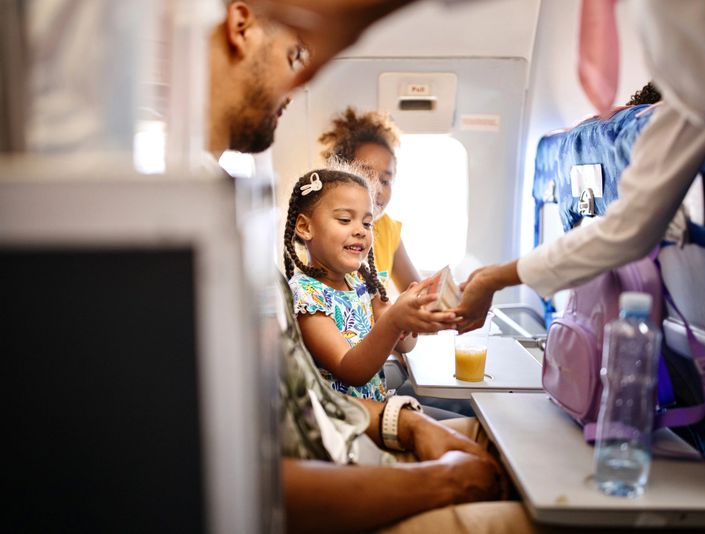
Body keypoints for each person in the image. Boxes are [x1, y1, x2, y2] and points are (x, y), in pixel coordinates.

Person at [258, 0, 705, 333]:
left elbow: (408, 296)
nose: (372, 198)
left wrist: (418, 311)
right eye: (361, 183)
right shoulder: (695, 91)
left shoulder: (704, 56)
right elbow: (627, 228)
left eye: (387, 178)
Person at [207, 4, 531, 532]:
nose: (298, 83)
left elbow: (321, 402)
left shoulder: (352, 273)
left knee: (517, 444)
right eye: (294, 55)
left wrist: (405, 416)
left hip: (370, 423)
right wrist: (436, 466)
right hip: (357, 443)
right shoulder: (296, 288)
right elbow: (350, 373)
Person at [283, 167, 449, 400]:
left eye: (367, 223)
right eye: (344, 220)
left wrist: (409, 315)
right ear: (305, 227)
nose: (360, 231)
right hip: (351, 423)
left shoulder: (361, 281)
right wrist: (393, 321)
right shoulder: (307, 297)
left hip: (382, 406)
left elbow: (405, 346)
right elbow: (351, 370)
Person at [319, 107, 421, 292]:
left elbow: (417, 290)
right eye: (366, 177)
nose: (377, 189)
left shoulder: (386, 227)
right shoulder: (330, 232)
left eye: (385, 180)